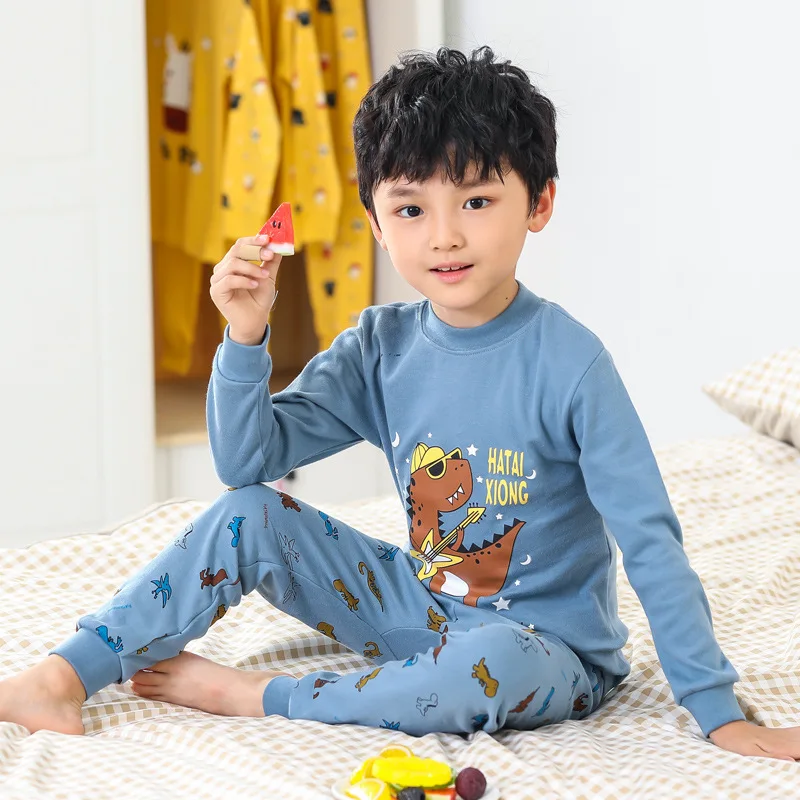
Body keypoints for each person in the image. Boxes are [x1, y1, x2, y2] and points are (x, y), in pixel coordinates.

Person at [1, 46, 798, 760]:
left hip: (547, 651)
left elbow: (651, 542)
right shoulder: (379, 346)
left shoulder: (572, 364)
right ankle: (63, 677)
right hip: (418, 607)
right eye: (412, 209)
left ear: (540, 203)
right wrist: (245, 337)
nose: (444, 236)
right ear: (377, 224)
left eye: (476, 202)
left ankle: (261, 697)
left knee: (490, 663)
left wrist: (717, 711)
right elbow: (246, 463)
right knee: (249, 513)